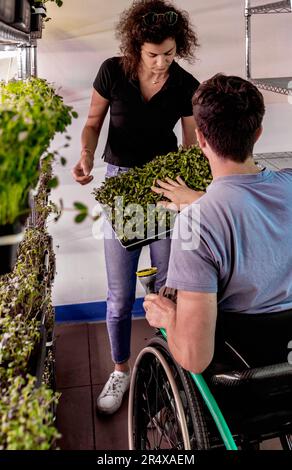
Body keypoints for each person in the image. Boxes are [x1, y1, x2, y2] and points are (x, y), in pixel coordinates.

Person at [72, 0, 200, 414]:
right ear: (135, 47)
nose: (161, 62)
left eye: (169, 53)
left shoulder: (185, 84)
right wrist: (87, 155)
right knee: (118, 292)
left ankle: (167, 369)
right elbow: (93, 122)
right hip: (122, 185)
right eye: (152, 55)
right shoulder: (113, 71)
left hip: (165, 187)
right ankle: (121, 369)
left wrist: (190, 197)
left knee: (168, 287)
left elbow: (191, 146)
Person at [144, 74, 292, 373]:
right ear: (259, 132)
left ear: (200, 138)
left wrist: (167, 316)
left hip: (243, 374)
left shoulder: (196, 225)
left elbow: (194, 358)